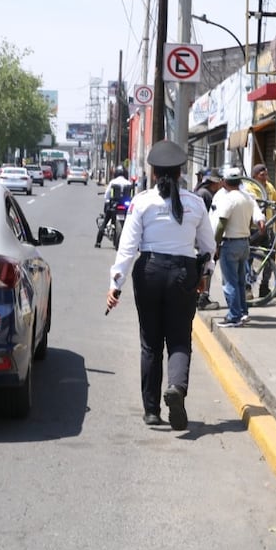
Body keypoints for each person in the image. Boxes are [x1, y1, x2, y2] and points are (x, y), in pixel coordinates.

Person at [106, 140, 215, 431]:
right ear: (180, 173)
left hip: (150, 271)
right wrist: (204, 274)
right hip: (183, 273)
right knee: (179, 339)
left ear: (154, 173)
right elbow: (208, 247)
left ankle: (152, 411)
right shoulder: (196, 203)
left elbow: (127, 248)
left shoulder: (142, 202)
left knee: (150, 343)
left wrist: (115, 285)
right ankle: (177, 388)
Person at [214, 167, 262, 328]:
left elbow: (221, 224)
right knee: (241, 281)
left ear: (225, 182)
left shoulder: (229, 199)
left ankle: (234, 316)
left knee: (230, 282)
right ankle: (242, 312)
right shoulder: (247, 198)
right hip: (244, 242)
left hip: (230, 243)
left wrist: (216, 244)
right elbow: (250, 220)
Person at [244, 163, 276, 298]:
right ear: (255, 176)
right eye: (262, 174)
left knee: (270, 256)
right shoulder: (248, 188)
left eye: (266, 173)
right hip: (252, 229)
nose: (265, 176)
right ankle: (247, 288)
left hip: (267, 227)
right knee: (248, 257)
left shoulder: (269, 186)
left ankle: (265, 287)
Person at [193, 169, 223, 310]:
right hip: (203, 239)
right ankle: (202, 299)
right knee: (207, 268)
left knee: (202, 268)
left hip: (198, 239)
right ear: (214, 183)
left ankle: (198, 297)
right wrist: (212, 243)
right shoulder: (205, 195)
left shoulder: (200, 192)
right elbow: (207, 221)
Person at [96, 166, 132, 248]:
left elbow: (107, 195)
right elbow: (131, 196)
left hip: (113, 206)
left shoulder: (113, 182)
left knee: (105, 222)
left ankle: (98, 242)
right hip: (125, 206)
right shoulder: (128, 183)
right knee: (130, 223)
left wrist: (108, 201)